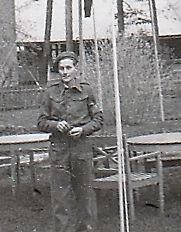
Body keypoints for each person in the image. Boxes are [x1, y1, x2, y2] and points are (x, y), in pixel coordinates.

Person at [38, 50, 103, 232]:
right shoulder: (50, 92)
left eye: (68, 68)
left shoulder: (86, 90)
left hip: (81, 148)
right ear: (58, 71)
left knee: (85, 197)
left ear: (76, 69)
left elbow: (98, 119)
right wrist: (55, 125)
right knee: (61, 199)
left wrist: (83, 130)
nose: (65, 72)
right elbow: (41, 122)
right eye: (61, 69)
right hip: (59, 150)